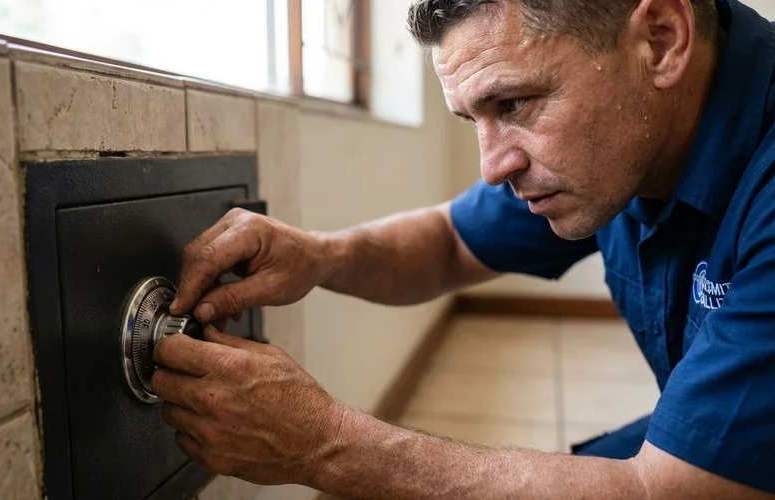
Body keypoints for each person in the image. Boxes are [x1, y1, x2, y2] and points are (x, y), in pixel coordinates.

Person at [151, 0, 775, 497]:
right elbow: (451, 242)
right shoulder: (619, 140)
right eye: (473, 118)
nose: (491, 168)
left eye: (513, 103)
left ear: (660, 40)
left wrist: (322, 444)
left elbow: (669, 491)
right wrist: (319, 255)